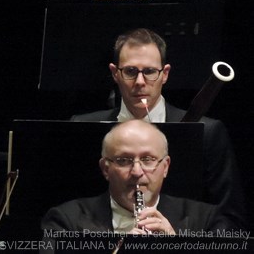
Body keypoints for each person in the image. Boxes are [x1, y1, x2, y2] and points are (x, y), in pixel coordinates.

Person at [72, 28, 247, 230]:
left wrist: (177, 244)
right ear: (115, 74)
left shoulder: (207, 132)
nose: (139, 82)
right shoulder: (83, 127)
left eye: (149, 72)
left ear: (165, 74)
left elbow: (231, 222)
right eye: (130, 71)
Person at [41, 120, 235, 234]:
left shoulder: (207, 221)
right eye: (124, 160)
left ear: (165, 167)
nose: (136, 172)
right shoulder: (65, 221)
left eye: (148, 159)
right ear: (105, 168)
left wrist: (176, 248)